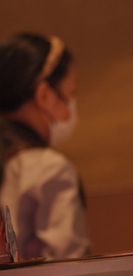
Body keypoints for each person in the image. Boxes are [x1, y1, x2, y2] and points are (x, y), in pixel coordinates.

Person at [0, 33, 89, 260]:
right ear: (44, 95)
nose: (69, 112)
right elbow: (69, 270)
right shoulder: (50, 169)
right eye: (69, 95)